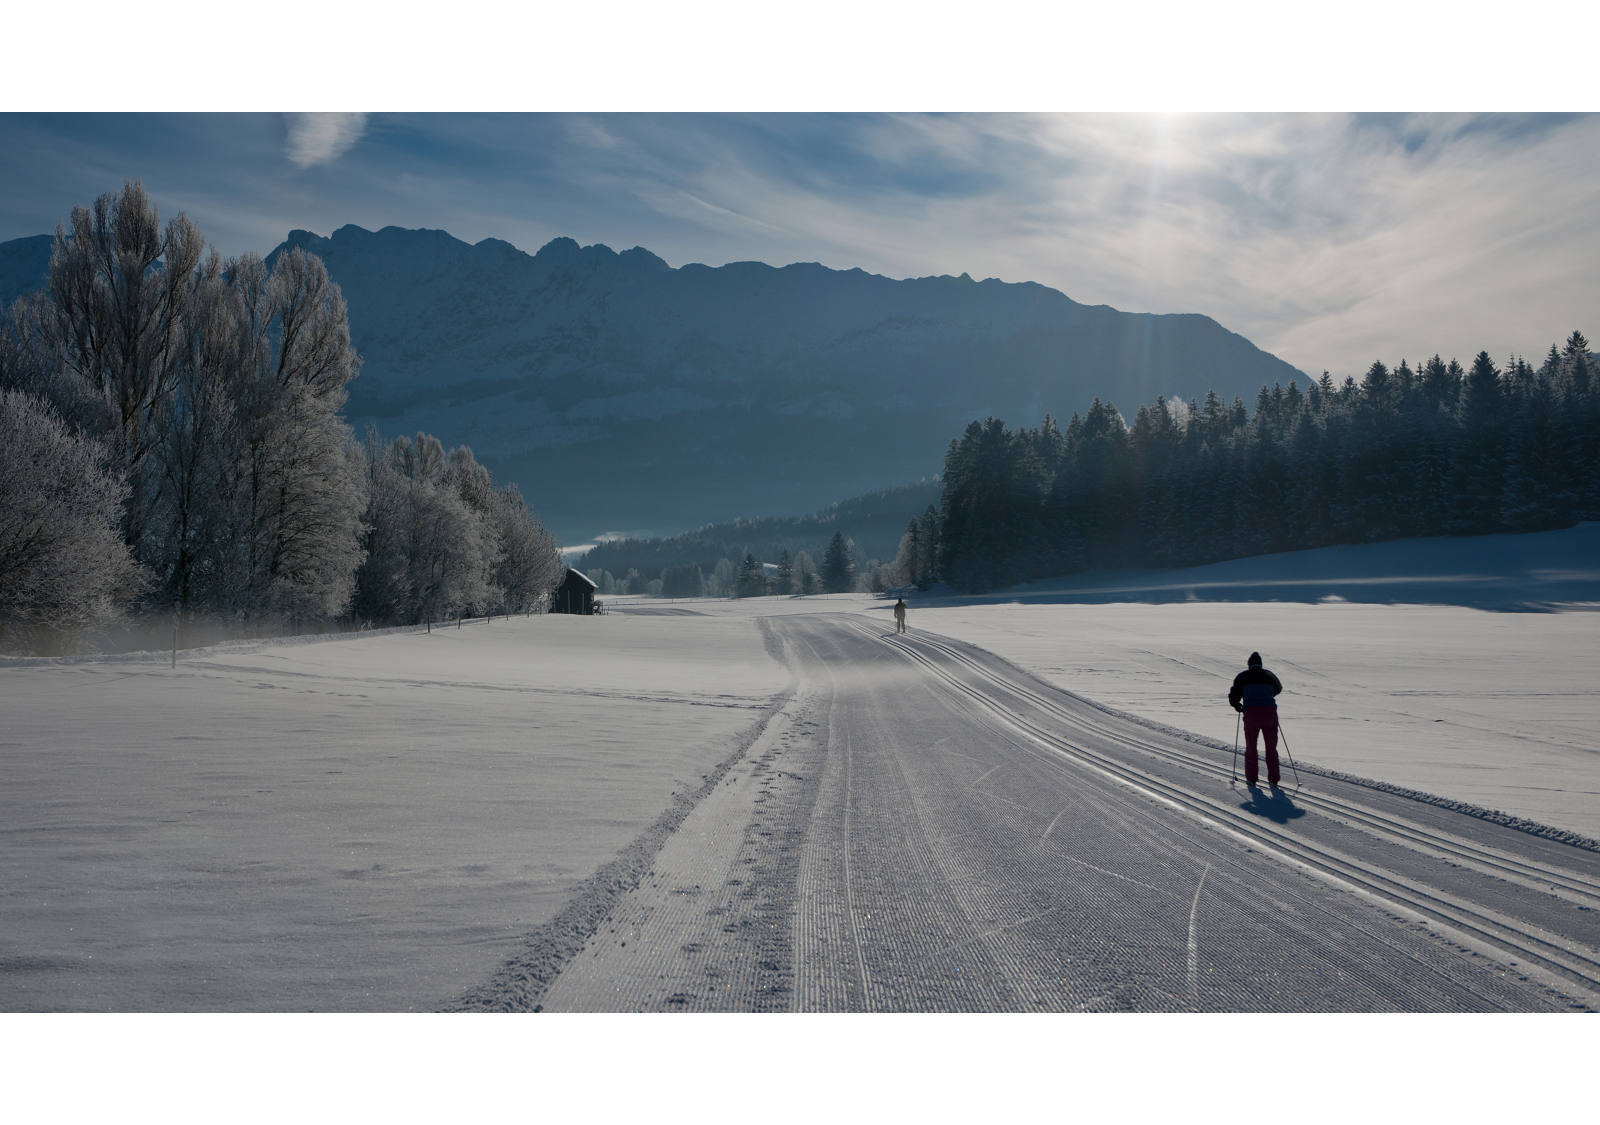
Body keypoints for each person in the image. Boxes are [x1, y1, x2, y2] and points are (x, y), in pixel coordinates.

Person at [1228, 651, 1283, 788]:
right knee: (1271, 747)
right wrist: (1267, 696)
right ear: (1261, 664)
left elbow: (1234, 694)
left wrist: (1237, 705)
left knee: (1251, 746)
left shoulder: (1243, 676)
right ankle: (1274, 779)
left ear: (1249, 664)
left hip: (1251, 713)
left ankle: (1252, 779)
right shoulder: (1269, 675)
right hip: (1269, 713)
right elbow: (1278, 688)